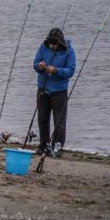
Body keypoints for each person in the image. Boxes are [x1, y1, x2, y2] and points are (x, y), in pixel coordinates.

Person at [33, 28, 76, 157]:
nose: (52, 46)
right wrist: (39, 66)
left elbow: (71, 71)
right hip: (43, 90)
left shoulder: (69, 51)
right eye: (50, 43)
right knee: (42, 120)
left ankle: (57, 147)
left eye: (55, 44)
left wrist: (55, 70)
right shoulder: (43, 47)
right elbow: (35, 64)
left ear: (60, 42)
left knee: (59, 122)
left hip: (59, 92)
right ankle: (44, 145)